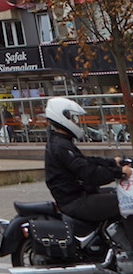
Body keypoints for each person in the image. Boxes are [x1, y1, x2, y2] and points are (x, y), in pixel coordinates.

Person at [44, 96, 133, 245]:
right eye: (71, 118)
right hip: (74, 201)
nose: (75, 122)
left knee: (115, 193)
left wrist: (113, 162)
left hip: (76, 196)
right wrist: (119, 173)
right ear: (62, 117)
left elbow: (85, 162)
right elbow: (88, 173)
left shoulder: (61, 142)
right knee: (127, 201)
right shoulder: (61, 146)